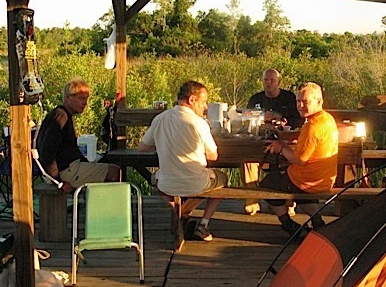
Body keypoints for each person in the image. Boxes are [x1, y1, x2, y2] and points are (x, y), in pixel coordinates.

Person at [138, 81, 228, 246]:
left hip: (167, 183)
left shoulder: (160, 118)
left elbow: (143, 147)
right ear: (192, 100)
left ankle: (180, 213)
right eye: (203, 102)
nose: (205, 107)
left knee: (154, 179)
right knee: (223, 181)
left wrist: (162, 143)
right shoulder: (198, 123)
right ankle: (203, 224)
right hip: (196, 183)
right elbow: (213, 156)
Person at [260, 82, 338, 236]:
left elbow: (299, 159)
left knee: (267, 184)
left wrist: (280, 146)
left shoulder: (313, 126)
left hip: (307, 181)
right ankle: (318, 223)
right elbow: (307, 137)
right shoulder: (326, 119)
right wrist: (286, 136)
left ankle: (288, 224)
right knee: (287, 180)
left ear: (319, 101)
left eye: (305, 102)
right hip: (324, 179)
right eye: (298, 101)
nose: (300, 106)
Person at [37, 79, 121, 193]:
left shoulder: (63, 114)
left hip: (68, 168)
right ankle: (110, 209)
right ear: (68, 97)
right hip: (65, 171)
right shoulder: (61, 116)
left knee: (102, 163)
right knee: (115, 172)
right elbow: (47, 151)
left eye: (86, 99)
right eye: (81, 98)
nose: (85, 103)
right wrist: (58, 181)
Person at [243, 68, 303, 216]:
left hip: (285, 139)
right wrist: (262, 117)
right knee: (247, 160)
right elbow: (246, 117)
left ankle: (287, 202)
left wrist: (282, 120)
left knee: (288, 159)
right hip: (259, 139)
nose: (268, 83)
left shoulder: (289, 98)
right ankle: (252, 199)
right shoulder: (255, 99)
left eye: (272, 80)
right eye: (266, 80)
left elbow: (299, 120)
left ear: (279, 82)